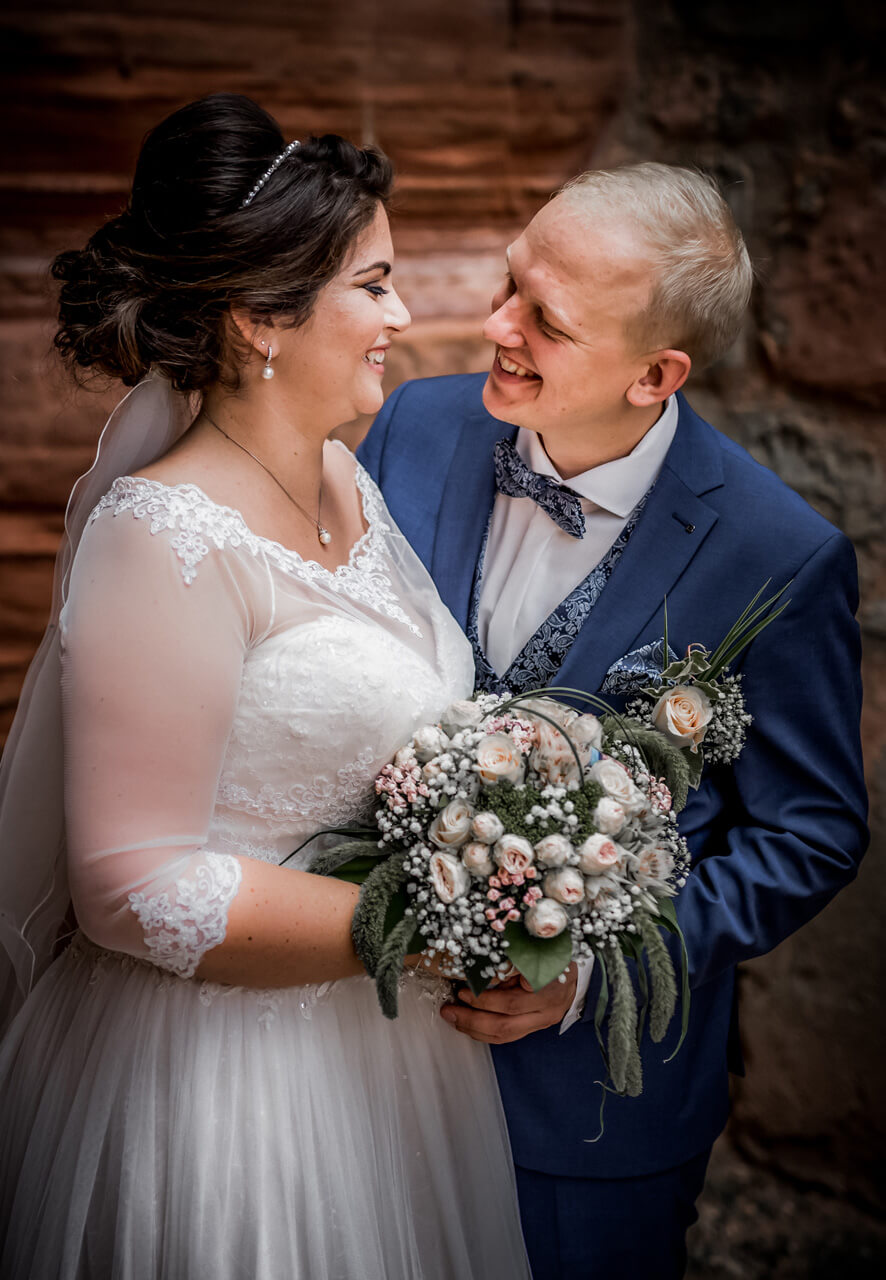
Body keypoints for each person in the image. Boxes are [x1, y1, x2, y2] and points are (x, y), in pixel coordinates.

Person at [0, 93, 531, 1280]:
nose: (402, 315)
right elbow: (132, 885)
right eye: (373, 284)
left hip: (393, 1059)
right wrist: (427, 918)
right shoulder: (161, 533)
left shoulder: (344, 478)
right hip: (225, 1083)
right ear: (259, 318)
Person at [358, 163, 869, 1279]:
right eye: (510, 283)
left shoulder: (778, 556)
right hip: (357, 1063)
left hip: (585, 1114)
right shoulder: (412, 426)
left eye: (545, 320)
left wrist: (588, 970)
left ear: (655, 374)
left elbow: (811, 833)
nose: (496, 326)